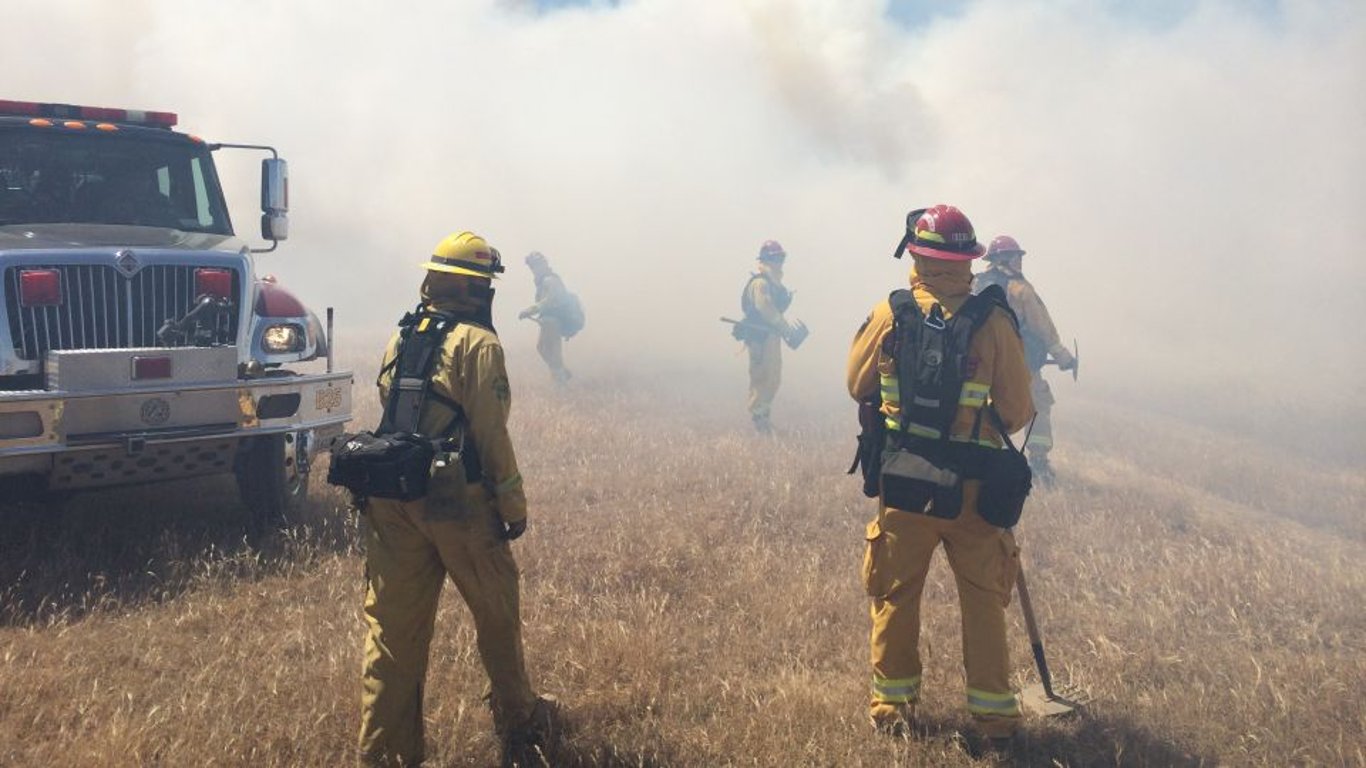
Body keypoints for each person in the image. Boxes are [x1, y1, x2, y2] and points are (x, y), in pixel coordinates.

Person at [358, 231, 555, 767]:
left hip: (392, 497)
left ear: (433, 279)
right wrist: (512, 507)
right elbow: (491, 434)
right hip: (457, 503)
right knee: (497, 613)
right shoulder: (478, 344)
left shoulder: (404, 334)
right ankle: (520, 722)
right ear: (477, 289)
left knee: (392, 635)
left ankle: (385, 755)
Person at [847, 205, 1034, 753]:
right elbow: (1018, 411)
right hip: (975, 500)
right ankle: (995, 722)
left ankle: (892, 710)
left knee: (896, 597)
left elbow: (855, 380)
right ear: (969, 259)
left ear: (917, 255)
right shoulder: (994, 321)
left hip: (904, 489)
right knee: (982, 604)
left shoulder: (891, 312)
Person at [973, 235, 1076, 485]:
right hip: (1020, 363)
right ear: (1003, 258)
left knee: (980, 407)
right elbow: (1043, 328)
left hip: (981, 363)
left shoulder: (975, 283)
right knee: (1038, 407)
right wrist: (1063, 356)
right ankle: (1038, 464)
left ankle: (980, 456)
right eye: (1015, 256)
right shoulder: (1021, 289)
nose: (1019, 261)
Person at [736, 240, 805, 434]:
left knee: (773, 376)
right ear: (767, 259)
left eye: (782, 258)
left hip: (770, 337)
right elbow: (767, 310)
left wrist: (783, 330)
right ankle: (759, 421)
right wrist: (787, 329)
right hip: (760, 338)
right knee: (761, 377)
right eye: (776, 258)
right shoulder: (761, 283)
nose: (780, 263)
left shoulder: (772, 282)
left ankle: (763, 417)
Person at [517, 251, 581, 386]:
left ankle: (561, 384)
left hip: (553, 321)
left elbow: (550, 300)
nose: (534, 269)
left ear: (544, 264)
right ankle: (561, 373)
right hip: (548, 321)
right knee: (543, 348)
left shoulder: (550, 280)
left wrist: (530, 310)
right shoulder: (543, 281)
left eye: (536, 265)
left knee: (553, 352)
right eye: (532, 267)